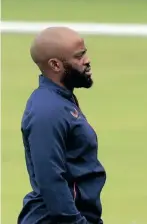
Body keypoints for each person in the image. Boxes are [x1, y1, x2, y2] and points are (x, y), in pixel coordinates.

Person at [18, 27, 106, 224]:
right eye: (79, 56)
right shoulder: (48, 111)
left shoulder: (62, 101)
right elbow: (50, 180)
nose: (87, 60)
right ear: (56, 65)